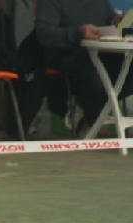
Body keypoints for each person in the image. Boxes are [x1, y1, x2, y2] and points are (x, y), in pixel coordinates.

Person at [36, 0, 129, 137]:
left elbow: (109, 23)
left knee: (129, 70)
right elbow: (44, 34)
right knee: (97, 74)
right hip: (68, 53)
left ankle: (92, 115)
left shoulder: (101, 3)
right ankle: (92, 118)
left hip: (101, 52)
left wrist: (117, 22)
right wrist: (77, 32)